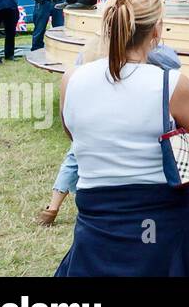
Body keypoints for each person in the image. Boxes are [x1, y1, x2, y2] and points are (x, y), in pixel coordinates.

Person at [56, 0, 189, 275]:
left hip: (98, 220)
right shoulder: (171, 84)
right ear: (157, 30)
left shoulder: (72, 80)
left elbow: (76, 138)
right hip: (160, 220)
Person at [36, 28, 181, 227]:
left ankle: (53, 207)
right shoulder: (145, 58)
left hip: (93, 126)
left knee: (73, 158)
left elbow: (69, 127)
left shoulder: (89, 50)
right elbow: (173, 62)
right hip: (145, 198)